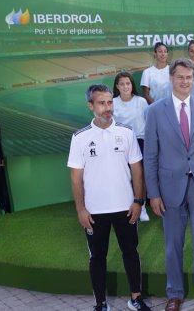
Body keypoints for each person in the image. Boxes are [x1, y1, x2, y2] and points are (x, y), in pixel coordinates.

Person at [144, 59, 194, 311]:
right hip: (169, 189)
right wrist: (153, 193)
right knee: (172, 245)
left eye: (189, 77)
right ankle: (174, 294)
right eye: (180, 77)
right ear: (171, 78)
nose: (185, 81)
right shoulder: (155, 111)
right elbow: (151, 156)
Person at [68, 84, 151, 311]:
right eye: (102, 103)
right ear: (90, 105)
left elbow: (137, 170)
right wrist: (81, 209)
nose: (107, 107)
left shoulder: (126, 133)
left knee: (131, 253)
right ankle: (101, 303)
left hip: (125, 208)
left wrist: (138, 201)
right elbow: (76, 178)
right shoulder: (80, 138)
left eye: (109, 102)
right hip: (94, 212)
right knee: (97, 257)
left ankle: (135, 298)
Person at [112, 71, 151, 222]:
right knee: (122, 175)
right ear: (117, 86)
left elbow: (149, 123)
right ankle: (124, 206)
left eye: (128, 83)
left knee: (140, 176)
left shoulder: (141, 101)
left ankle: (141, 207)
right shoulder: (113, 102)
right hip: (120, 143)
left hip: (140, 141)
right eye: (122, 84)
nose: (125, 86)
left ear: (132, 85)